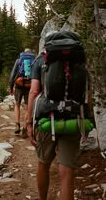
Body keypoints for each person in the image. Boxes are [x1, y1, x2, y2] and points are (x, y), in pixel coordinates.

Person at [26, 46, 92, 200]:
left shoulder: (41, 60)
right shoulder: (78, 59)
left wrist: (29, 122)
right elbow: (88, 92)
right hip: (73, 119)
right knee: (66, 172)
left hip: (47, 120)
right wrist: (87, 119)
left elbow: (34, 92)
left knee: (43, 162)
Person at [9, 48, 35, 138]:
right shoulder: (34, 60)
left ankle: (17, 125)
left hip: (19, 85)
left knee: (17, 104)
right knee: (28, 108)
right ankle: (25, 128)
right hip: (29, 86)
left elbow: (13, 74)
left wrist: (11, 86)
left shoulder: (19, 60)